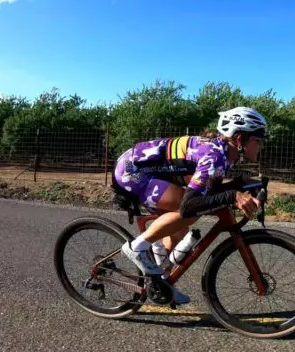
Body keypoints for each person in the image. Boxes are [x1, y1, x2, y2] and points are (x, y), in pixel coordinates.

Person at [112, 106, 268, 305]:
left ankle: (159, 282)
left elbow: (210, 188)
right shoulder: (215, 156)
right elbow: (190, 205)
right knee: (190, 210)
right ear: (239, 139)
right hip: (132, 171)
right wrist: (234, 195)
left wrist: (240, 185)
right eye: (257, 140)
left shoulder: (226, 153)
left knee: (180, 228)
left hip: (153, 171)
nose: (261, 146)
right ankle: (136, 247)